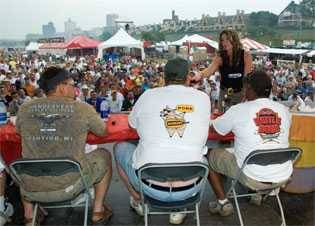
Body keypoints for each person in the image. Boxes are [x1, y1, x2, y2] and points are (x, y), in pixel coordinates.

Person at [114, 58, 211, 225]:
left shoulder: (148, 95)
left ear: (164, 77)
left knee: (118, 148)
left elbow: (132, 124)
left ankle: (138, 198)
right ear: (188, 77)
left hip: (150, 187)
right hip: (191, 187)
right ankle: (178, 209)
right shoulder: (203, 98)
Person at [16, 66, 112, 225]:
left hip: (31, 188)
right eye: (72, 84)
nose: (75, 89)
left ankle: (29, 216)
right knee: (104, 155)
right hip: (69, 184)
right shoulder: (81, 108)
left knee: (26, 160)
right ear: (61, 87)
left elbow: (19, 131)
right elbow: (103, 131)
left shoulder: (25, 108)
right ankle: (98, 211)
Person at [207, 70, 291, 216]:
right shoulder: (284, 110)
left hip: (252, 176)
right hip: (283, 175)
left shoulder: (239, 110)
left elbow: (215, 128)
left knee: (209, 155)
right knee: (254, 149)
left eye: (245, 87)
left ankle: (223, 202)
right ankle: (257, 194)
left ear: (249, 89)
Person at [196, 29, 253, 112]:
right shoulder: (219, 57)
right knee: (222, 118)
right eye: (222, 40)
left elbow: (247, 77)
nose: (224, 43)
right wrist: (198, 74)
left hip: (240, 93)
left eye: (227, 39)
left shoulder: (246, 55)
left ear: (234, 40)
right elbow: (209, 71)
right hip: (224, 93)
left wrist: (246, 95)